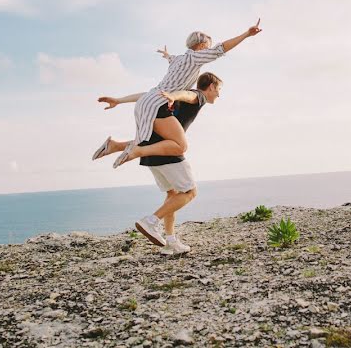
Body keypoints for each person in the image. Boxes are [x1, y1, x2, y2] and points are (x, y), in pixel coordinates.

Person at [94, 19, 261, 168]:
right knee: (180, 146)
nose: (208, 51)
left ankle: (114, 146)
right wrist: (246, 34)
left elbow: (170, 59)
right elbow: (221, 49)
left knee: (158, 141)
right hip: (159, 104)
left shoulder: (179, 60)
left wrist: (119, 100)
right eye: (207, 47)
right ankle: (135, 152)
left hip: (146, 101)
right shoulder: (196, 58)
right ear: (201, 46)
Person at [93, 72, 223, 254]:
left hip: (154, 153)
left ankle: (171, 242)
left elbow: (146, 96)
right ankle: (151, 221)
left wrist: (119, 100)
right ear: (210, 87)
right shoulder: (196, 95)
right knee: (190, 192)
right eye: (218, 90)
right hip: (167, 153)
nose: (218, 94)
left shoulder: (175, 92)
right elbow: (189, 95)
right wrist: (175, 95)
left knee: (173, 194)